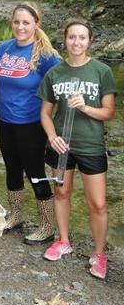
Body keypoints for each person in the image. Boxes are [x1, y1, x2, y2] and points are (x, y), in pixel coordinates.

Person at [39, 18, 116, 279]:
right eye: (72, 37)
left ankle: (99, 253)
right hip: (62, 146)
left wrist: (85, 107)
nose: (76, 42)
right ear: (65, 39)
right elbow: (46, 113)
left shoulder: (101, 71)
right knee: (61, 193)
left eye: (82, 37)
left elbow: (108, 113)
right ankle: (63, 241)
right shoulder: (54, 74)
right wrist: (51, 137)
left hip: (91, 146)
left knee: (98, 203)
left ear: (89, 41)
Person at [0, 2, 60, 243]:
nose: (20, 27)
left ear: (36, 25)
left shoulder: (46, 55)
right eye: (17, 22)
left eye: (26, 23)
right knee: (12, 170)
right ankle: (16, 215)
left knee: (35, 172)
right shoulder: (3, 49)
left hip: (31, 124)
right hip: (4, 120)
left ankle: (46, 225)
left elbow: (62, 81)